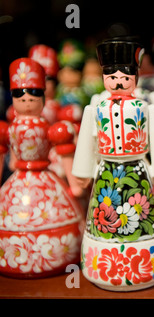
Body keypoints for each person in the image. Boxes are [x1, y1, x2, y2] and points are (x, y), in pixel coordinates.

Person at [71, 38, 154, 291]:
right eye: (111, 75)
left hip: (138, 171)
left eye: (125, 76)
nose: (118, 81)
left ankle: (150, 264)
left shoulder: (145, 107)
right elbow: (86, 140)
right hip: (106, 172)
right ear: (104, 77)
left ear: (135, 77)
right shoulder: (96, 108)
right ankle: (102, 265)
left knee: (145, 216)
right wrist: (83, 173)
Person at [0, 58, 82, 278]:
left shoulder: (48, 126)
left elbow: (64, 147)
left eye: (34, 94)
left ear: (43, 97)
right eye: (20, 95)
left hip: (46, 178)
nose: (27, 100)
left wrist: (74, 185)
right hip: (21, 179)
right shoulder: (10, 128)